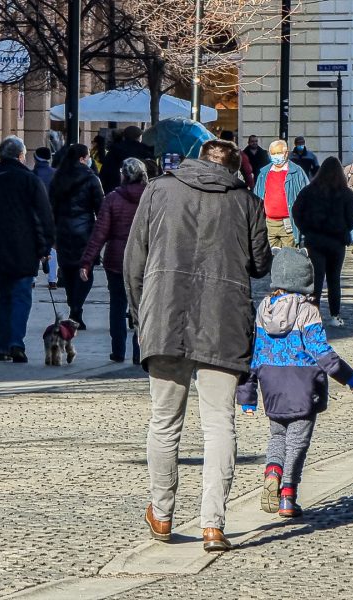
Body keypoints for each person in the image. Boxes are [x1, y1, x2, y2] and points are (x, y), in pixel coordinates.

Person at [124, 139, 271, 553]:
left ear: (196, 158)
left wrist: (142, 314)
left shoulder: (159, 189)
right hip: (223, 320)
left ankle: (163, 511)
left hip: (165, 315)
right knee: (219, 423)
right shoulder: (246, 201)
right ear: (235, 167)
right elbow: (261, 264)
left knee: (164, 421)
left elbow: (133, 260)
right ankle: (213, 525)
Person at [237, 247, 353, 518]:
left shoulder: (263, 310)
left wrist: (246, 395)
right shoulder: (308, 311)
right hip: (303, 385)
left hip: (271, 385)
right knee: (297, 443)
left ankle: (272, 471)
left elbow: (255, 354)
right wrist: (348, 376)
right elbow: (321, 351)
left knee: (277, 436)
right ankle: (287, 496)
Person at [0, 136, 55, 363]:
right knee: (21, 295)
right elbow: (42, 217)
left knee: (4, 296)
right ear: (20, 156)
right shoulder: (30, 180)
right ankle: (16, 342)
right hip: (24, 248)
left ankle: (2, 345)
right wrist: (45, 245)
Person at [80, 158, 147, 364]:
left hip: (117, 258)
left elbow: (99, 233)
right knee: (143, 306)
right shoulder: (152, 197)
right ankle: (140, 351)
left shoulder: (112, 199)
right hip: (145, 258)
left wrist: (86, 261)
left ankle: (118, 351)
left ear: (124, 175)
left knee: (117, 305)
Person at [292, 157, 353, 327]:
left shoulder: (309, 191)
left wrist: (306, 229)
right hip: (337, 241)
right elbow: (352, 218)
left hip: (315, 240)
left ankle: (314, 315)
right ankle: (335, 316)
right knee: (334, 279)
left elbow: (297, 211)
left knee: (316, 279)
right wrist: (343, 228)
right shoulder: (345, 193)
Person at [50, 144, 104, 329]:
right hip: (85, 231)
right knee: (85, 270)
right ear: (82, 158)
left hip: (63, 230)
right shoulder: (91, 179)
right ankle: (76, 308)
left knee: (68, 270)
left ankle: (73, 304)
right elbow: (100, 207)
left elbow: (51, 206)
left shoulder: (58, 177)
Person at [253, 139, 309, 248]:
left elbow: (307, 196)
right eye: (273, 153)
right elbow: (256, 196)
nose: (276, 156)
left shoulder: (296, 172)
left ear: (286, 153)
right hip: (268, 223)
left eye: (279, 153)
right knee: (270, 259)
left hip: (289, 223)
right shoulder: (264, 173)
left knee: (289, 257)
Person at [33, 147, 58, 290]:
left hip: (35, 214)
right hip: (53, 214)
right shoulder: (56, 175)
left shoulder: (32, 175)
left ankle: (32, 277)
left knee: (34, 244)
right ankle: (52, 279)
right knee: (53, 246)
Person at [100, 126, 153, 193]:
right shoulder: (146, 151)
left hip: (116, 190)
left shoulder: (114, 151)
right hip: (141, 191)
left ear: (124, 137)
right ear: (139, 137)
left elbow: (104, 173)